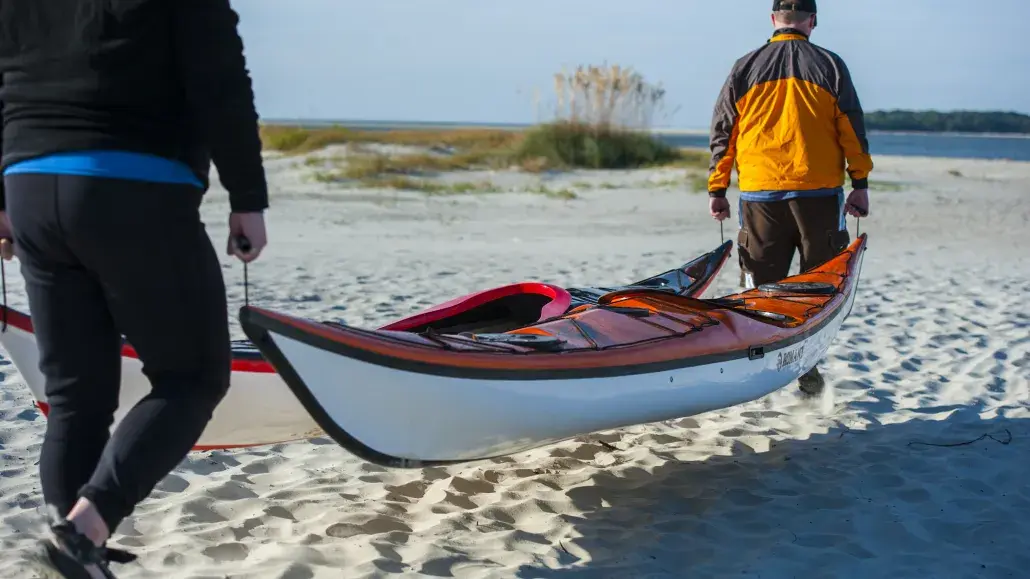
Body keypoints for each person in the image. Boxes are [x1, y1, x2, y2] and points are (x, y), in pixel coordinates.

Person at [0, 0, 269, 576]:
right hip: (134, 187)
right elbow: (221, 81)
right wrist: (247, 198)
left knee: (76, 396)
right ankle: (86, 527)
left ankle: (74, 547)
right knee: (191, 378)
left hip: (29, 186)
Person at [705, 0, 872, 395]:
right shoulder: (830, 65)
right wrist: (860, 183)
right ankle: (807, 366)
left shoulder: (744, 67)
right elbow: (851, 127)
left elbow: (723, 132)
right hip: (819, 194)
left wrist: (717, 188)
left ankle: (760, 370)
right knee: (818, 284)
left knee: (763, 286)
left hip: (761, 195)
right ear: (812, 22)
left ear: (773, 20)